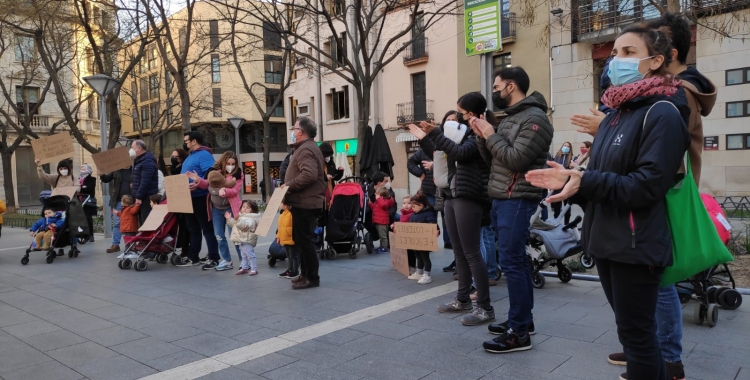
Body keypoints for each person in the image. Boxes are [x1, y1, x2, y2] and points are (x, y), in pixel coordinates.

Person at [526, 25, 689, 380]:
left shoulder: (662, 113)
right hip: (605, 240)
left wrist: (586, 180)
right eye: (615, 53)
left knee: (639, 339)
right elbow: (601, 178)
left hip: (636, 243)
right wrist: (574, 182)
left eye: (629, 52)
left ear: (656, 61)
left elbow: (646, 186)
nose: (616, 60)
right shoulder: (616, 113)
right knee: (631, 337)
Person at [470, 66, 553, 353]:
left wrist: (491, 135)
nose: (494, 91)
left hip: (517, 197)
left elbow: (516, 160)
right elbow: (494, 160)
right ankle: (522, 320)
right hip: (502, 196)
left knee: (512, 262)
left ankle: (519, 334)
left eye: (497, 86)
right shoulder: (512, 118)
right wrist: (483, 137)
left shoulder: (535, 119)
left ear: (511, 86)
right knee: (512, 261)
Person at [409, 93, 494, 327]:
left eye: (462, 113)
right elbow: (443, 155)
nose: (459, 117)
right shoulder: (463, 131)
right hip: (450, 194)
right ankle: (463, 299)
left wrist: (435, 133)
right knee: (459, 252)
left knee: (471, 252)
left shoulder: (480, 132)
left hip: (469, 195)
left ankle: (485, 307)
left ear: (474, 113)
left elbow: (461, 154)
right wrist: (427, 138)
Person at [283, 116, 326, 289]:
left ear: (301, 132)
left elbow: (309, 174)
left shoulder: (306, 149)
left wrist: (288, 186)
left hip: (306, 203)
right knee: (300, 240)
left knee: (305, 241)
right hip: (303, 202)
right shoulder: (306, 147)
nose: (292, 132)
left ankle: (312, 278)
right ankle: (305, 274)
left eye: (294, 129)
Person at [188, 151, 244, 271]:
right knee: (219, 235)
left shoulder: (238, 174)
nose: (231, 166)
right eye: (228, 163)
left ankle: (243, 261)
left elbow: (235, 190)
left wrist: (224, 191)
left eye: (233, 164)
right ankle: (227, 261)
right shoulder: (214, 172)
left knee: (235, 236)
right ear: (223, 162)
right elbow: (206, 184)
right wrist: (198, 180)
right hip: (216, 209)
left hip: (231, 209)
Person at [177, 131, 220, 269]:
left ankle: (214, 258)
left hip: (201, 197)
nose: (185, 143)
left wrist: (198, 183)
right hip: (188, 197)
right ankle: (193, 257)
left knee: (207, 229)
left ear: (194, 141)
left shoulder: (204, 155)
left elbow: (212, 175)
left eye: (186, 141)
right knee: (193, 229)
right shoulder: (191, 156)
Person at [35, 158, 81, 256]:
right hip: (56, 205)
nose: (63, 170)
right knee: (55, 225)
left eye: (65, 168)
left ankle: (74, 244)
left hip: (69, 204)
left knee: (71, 225)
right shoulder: (55, 178)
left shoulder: (73, 178)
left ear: (68, 168)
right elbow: (43, 176)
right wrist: (39, 166)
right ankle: (56, 245)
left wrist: (70, 190)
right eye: (61, 168)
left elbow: (78, 187)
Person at [404, 192, 439, 285]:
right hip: (416, 242)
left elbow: (433, 224)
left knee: (425, 257)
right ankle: (419, 272)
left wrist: (435, 229)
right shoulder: (414, 215)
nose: (412, 208)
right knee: (418, 256)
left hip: (424, 241)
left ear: (421, 205)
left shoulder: (428, 214)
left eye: (414, 206)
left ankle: (427, 275)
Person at [100, 165, 133, 253]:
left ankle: (132, 244)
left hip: (132, 201)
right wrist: (102, 174)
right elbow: (106, 179)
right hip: (119, 201)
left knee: (132, 223)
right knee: (117, 223)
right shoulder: (117, 170)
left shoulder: (134, 169)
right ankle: (115, 244)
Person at [227, 200, 262, 276]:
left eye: (247, 208)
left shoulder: (251, 218)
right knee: (243, 255)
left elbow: (244, 227)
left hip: (247, 239)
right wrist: (230, 219)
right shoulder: (241, 216)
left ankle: (254, 269)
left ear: (252, 210)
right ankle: (244, 268)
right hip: (241, 239)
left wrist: (238, 220)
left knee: (250, 255)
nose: (245, 209)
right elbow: (234, 224)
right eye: (243, 207)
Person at [130, 140, 159, 223]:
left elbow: (146, 181)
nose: (131, 149)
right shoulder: (139, 160)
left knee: (146, 221)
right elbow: (141, 178)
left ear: (139, 148)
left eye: (132, 147)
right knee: (142, 221)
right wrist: (135, 184)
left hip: (146, 197)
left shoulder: (147, 160)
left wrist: (138, 197)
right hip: (142, 195)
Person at [551, 143, 574, 225]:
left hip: (567, 184)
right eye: (565, 146)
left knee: (567, 204)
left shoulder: (571, 158)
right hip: (557, 184)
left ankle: (566, 223)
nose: (566, 147)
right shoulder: (557, 157)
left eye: (568, 147)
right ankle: (555, 222)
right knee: (557, 203)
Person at [392, 195, 415, 274]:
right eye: (404, 203)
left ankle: (412, 266)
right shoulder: (403, 213)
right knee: (405, 252)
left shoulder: (412, 214)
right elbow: (401, 223)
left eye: (408, 203)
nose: (406, 205)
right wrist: (395, 225)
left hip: (410, 237)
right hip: (404, 237)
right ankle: (407, 265)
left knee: (410, 252)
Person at [369, 187, 395, 253]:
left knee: (383, 236)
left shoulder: (384, 202)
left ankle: (384, 247)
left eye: (377, 195)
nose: (376, 196)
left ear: (382, 196)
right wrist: (369, 203)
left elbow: (384, 205)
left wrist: (379, 199)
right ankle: (382, 246)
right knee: (381, 235)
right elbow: (374, 208)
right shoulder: (378, 202)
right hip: (379, 221)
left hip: (382, 222)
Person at [114, 195, 140, 259]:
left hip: (130, 228)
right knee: (127, 241)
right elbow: (122, 215)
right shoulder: (125, 209)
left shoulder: (129, 209)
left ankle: (134, 251)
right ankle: (127, 251)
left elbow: (134, 210)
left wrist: (137, 205)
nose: (121, 202)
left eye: (121, 201)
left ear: (124, 202)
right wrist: (117, 212)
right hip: (126, 228)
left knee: (131, 240)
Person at [276, 201, 298, 278]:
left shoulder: (291, 214)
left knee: (293, 256)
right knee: (288, 255)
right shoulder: (283, 214)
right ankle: (289, 269)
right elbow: (280, 227)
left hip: (291, 238)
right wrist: (278, 237)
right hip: (284, 238)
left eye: (281, 203)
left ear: (286, 205)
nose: (280, 205)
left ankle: (295, 271)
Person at [319, 142, 344, 208]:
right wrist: (325, 177)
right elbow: (316, 176)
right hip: (321, 193)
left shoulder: (331, 163)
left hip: (331, 191)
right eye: (327, 155)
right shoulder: (317, 163)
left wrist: (340, 172)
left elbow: (335, 177)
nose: (328, 157)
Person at [78, 164, 97, 242]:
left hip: (87, 201)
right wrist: (82, 187)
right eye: (81, 168)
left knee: (88, 218)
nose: (82, 169)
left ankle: (91, 235)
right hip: (79, 201)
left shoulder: (92, 179)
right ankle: (83, 235)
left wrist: (80, 188)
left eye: (84, 168)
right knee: (80, 219)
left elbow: (89, 188)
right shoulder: (78, 179)